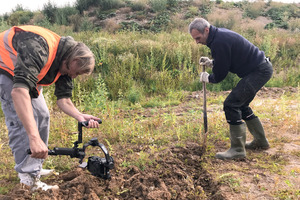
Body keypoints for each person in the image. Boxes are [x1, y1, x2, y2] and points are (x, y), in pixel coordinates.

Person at [0, 25, 101, 191]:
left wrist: (80, 116)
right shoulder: (37, 47)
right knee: (20, 122)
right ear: (74, 61)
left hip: (25, 77)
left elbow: (64, 100)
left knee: (42, 115)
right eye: (75, 73)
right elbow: (19, 92)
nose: (74, 77)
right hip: (5, 69)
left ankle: (34, 166)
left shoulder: (66, 60)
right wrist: (34, 137)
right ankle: (28, 179)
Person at [189, 18, 273, 160]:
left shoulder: (218, 41)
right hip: (259, 69)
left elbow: (220, 74)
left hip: (259, 71)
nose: (197, 42)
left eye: (198, 38)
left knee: (231, 104)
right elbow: (226, 60)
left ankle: (237, 150)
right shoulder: (218, 36)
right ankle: (261, 142)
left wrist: (208, 78)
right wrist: (212, 63)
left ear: (206, 30)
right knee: (242, 105)